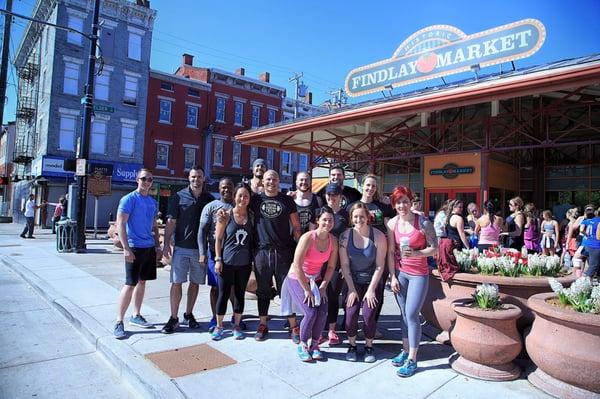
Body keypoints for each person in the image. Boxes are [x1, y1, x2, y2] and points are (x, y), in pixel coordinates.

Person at [386, 185, 438, 377]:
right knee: (403, 314)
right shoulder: (392, 224)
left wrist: (416, 253)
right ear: (394, 204)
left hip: (418, 275)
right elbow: (391, 251)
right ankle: (406, 349)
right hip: (400, 273)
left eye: (405, 201)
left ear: (411, 202)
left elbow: (435, 248)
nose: (402, 205)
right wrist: (392, 276)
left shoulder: (423, 222)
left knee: (411, 314)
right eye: (398, 202)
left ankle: (412, 360)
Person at [161, 166, 214, 334]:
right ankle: (173, 317)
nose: (196, 179)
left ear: (203, 179)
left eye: (199, 176)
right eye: (193, 176)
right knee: (176, 282)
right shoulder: (178, 197)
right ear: (188, 178)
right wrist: (166, 244)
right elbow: (171, 222)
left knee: (195, 283)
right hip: (181, 248)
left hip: (200, 250)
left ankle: (188, 314)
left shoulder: (209, 199)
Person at [251, 170, 302, 341]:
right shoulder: (255, 200)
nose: (271, 182)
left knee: (287, 290)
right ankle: (263, 324)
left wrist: (300, 251)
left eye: (274, 179)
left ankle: (293, 326)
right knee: (263, 290)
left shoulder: (287, 200)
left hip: (283, 252)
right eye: (268, 179)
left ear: (279, 181)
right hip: (262, 251)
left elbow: (296, 226)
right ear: (262, 181)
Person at [285, 206, 338, 361]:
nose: (327, 223)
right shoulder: (308, 238)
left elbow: (331, 267)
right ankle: (303, 344)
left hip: (316, 279)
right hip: (297, 277)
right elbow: (297, 265)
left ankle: (315, 344)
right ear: (317, 221)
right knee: (310, 312)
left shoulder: (333, 241)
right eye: (324, 220)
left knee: (322, 311)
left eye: (330, 220)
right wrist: (306, 289)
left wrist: (323, 287)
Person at [113, 169, 161, 339]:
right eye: (143, 178)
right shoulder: (128, 199)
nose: (146, 181)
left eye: (150, 179)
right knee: (130, 283)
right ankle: (119, 321)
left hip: (148, 247)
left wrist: (157, 245)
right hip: (134, 247)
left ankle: (136, 315)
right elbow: (120, 223)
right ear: (137, 180)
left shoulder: (152, 202)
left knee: (142, 282)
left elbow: (154, 225)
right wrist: (126, 248)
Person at [346, 174, 394, 337]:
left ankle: (372, 324)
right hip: (358, 255)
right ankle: (351, 323)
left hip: (378, 253)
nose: (370, 188)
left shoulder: (383, 206)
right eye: (368, 185)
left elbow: (389, 228)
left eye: (373, 186)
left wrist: (391, 249)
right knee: (354, 291)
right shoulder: (352, 206)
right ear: (362, 186)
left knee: (376, 292)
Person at [339, 203, 387, 363]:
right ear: (351, 219)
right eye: (355, 217)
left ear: (368, 218)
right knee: (350, 315)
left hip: (372, 280)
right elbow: (344, 265)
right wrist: (351, 289)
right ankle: (352, 345)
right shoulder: (345, 236)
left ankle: (368, 346)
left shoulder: (379, 236)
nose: (359, 220)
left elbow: (380, 265)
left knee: (368, 316)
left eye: (362, 216)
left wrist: (372, 289)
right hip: (352, 280)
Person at [211, 183, 255, 340]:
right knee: (223, 294)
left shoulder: (251, 216)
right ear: (234, 197)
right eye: (240, 195)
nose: (243, 199)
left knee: (239, 295)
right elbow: (218, 239)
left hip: (244, 264)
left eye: (246, 196)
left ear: (249, 198)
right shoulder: (226, 215)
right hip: (227, 262)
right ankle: (219, 326)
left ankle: (236, 325)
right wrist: (218, 259)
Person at [198, 178, 235, 332]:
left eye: (229, 187)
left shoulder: (239, 206)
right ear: (219, 189)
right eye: (223, 187)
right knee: (215, 288)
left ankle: (235, 316)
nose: (226, 190)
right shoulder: (210, 207)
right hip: (214, 253)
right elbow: (202, 231)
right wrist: (202, 253)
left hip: (233, 253)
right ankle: (215, 317)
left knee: (233, 287)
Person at [322, 183, 349, 346]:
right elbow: (312, 233)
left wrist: (346, 265)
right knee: (318, 294)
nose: (332, 198)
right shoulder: (321, 212)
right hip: (319, 260)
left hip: (337, 261)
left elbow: (350, 239)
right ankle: (317, 326)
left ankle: (332, 329)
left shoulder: (346, 215)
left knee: (332, 295)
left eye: (335, 195)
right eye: (329, 195)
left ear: (340, 197)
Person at [582, 205, 599, 277]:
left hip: (588, 245)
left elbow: (582, 230)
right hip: (596, 245)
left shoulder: (589, 221)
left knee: (593, 264)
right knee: (593, 266)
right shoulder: (598, 221)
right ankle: (585, 283)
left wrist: (587, 235)